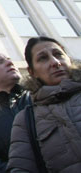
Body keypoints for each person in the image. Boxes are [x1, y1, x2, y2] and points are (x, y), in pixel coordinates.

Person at [7, 36, 81, 173]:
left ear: (69, 59)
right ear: (32, 72)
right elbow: (20, 167)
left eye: (58, 54)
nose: (55, 62)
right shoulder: (26, 119)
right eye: (43, 58)